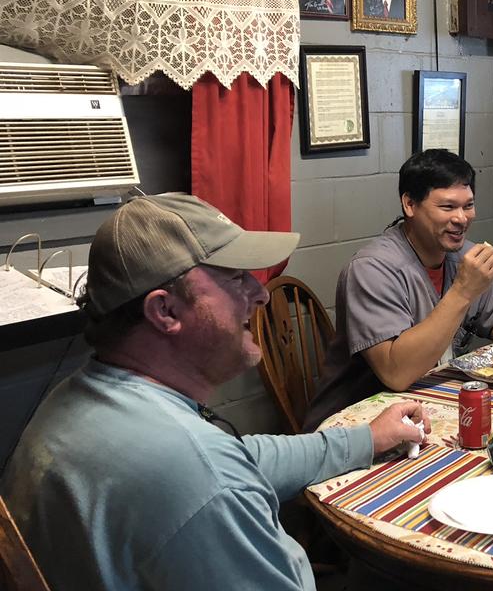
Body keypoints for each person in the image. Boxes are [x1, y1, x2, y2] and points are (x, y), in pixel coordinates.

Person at [0, 193, 428, 591]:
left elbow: (241, 459)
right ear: (165, 310)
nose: (260, 294)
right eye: (236, 278)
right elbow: (215, 477)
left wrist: (366, 439)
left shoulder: (81, 398)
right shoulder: (195, 473)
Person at [304, 149, 493, 430]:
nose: (462, 218)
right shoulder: (371, 269)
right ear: (409, 205)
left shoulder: (462, 255)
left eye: (468, 205)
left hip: (429, 408)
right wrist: (462, 291)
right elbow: (396, 374)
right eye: (447, 207)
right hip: (356, 422)